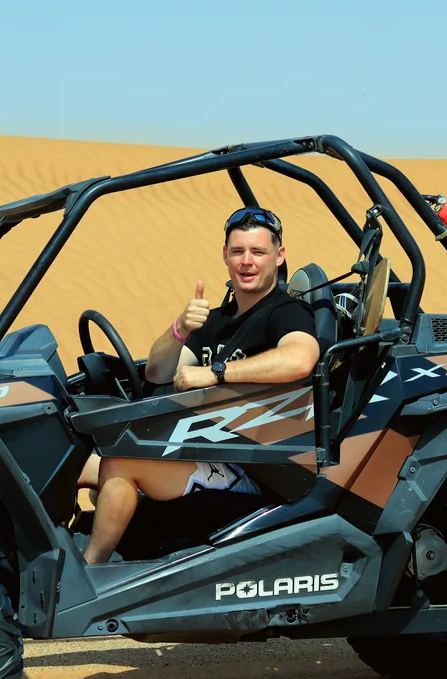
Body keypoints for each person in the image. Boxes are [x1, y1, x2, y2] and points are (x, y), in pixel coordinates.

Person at [79, 207, 319, 564]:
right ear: (225, 255)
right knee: (78, 460)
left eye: (258, 252)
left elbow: (300, 358)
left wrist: (217, 372)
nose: (247, 262)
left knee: (119, 464)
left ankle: (89, 571)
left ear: (279, 256)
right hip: (202, 444)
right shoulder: (217, 319)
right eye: (238, 252)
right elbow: (158, 373)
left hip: (250, 465)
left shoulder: (284, 312)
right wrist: (180, 328)